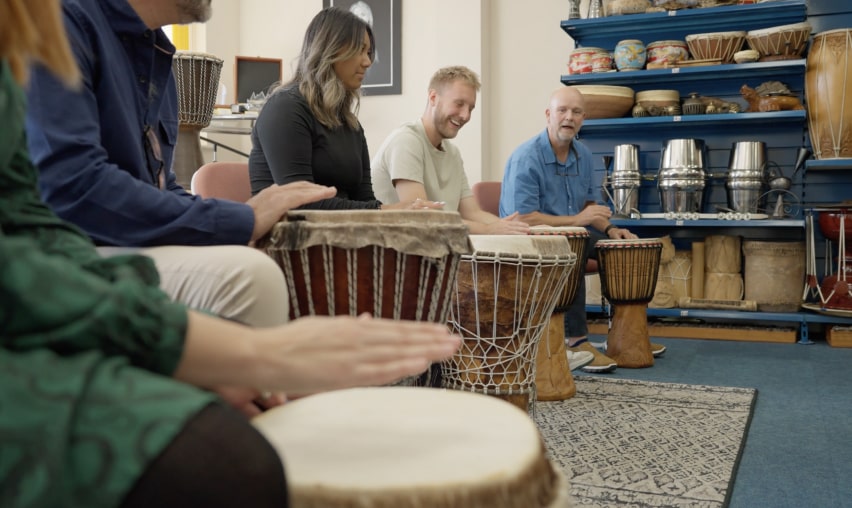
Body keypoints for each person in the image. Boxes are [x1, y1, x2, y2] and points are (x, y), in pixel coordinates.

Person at [0, 3, 462, 506]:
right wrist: (249, 344)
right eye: (363, 51)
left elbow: (148, 191)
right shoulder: (61, 21)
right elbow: (68, 199)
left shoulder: (157, 55)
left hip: (83, 252)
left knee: (245, 440)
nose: (370, 61)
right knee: (249, 287)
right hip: (87, 254)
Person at [23, 0, 311, 328]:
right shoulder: (63, 19)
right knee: (251, 278)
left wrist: (231, 226)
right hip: (61, 250)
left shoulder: (156, 55)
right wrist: (237, 220)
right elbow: (73, 188)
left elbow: (160, 186)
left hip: (119, 242)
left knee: (260, 258)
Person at [500, 86, 666, 373]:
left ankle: (624, 335)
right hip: (527, 239)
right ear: (548, 115)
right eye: (562, 110)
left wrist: (612, 229)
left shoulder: (584, 155)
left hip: (570, 232)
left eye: (576, 112)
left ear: (583, 118)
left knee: (622, 249)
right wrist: (580, 220)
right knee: (573, 247)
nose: (569, 117)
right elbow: (524, 219)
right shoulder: (526, 157)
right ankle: (575, 340)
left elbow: (591, 208)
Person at [248, 7, 441, 211]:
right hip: (289, 236)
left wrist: (405, 211)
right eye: (359, 50)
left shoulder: (351, 124)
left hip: (340, 235)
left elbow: (365, 200)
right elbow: (299, 203)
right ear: (330, 49)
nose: (367, 62)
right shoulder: (285, 108)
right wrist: (390, 210)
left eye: (368, 52)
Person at [371, 65, 530, 235]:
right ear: (433, 97)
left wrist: (517, 228)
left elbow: (472, 213)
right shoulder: (406, 141)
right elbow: (420, 217)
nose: (465, 115)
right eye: (459, 104)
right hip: (393, 253)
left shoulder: (453, 153)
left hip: (432, 250)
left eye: (470, 108)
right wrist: (488, 229)